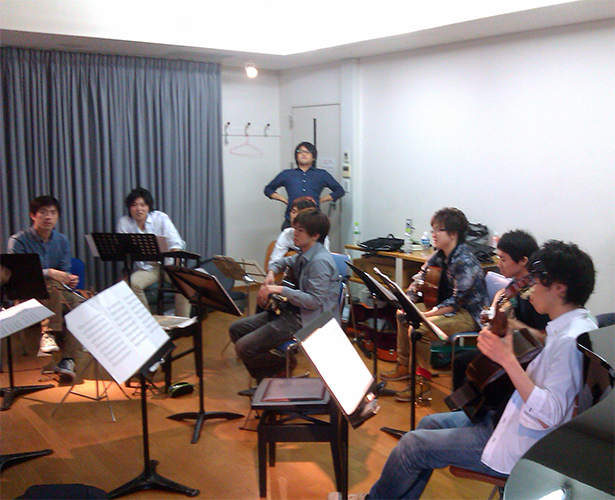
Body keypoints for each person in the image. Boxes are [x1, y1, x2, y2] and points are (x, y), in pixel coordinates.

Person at [360, 240, 597, 500]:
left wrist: (507, 359)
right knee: (428, 423)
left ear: (560, 288)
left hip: (520, 446)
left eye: (538, 282)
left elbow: (550, 413)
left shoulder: (570, 342)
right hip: (509, 419)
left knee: (412, 446)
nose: (530, 289)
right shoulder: (576, 324)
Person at [381, 207, 488, 402]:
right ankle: (404, 366)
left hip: (468, 315)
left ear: (453, 234)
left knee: (419, 329)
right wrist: (408, 301)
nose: (434, 234)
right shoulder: (439, 254)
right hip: (445, 308)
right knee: (402, 314)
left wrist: (424, 315)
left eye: (439, 230)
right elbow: (419, 278)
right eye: (433, 229)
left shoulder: (465, 261)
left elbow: (456, 302)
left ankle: (422, 384)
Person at [229, 208, 341, 382]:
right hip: (291, 311)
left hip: (307, 320)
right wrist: (271, 272)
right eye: (295, 228)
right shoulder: (305, 253)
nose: (294, 233)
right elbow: (283, 261)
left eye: (300, 230)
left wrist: (278, 289)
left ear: (315, 236)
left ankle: (280, 368)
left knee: (244, 347)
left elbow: (313, 301)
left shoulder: (320, 261)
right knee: (236, 329)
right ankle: (270, 376)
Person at [452, 230, 549, 391]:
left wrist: (513, 324)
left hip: (525, 357)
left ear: (523, 261)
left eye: (503, 259)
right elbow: (503, 292)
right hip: (509, 346)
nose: (499, 264)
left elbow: (546, 338)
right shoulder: (518, 283)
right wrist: (494, 307)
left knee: (466, 365)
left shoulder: (535, 293)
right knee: (462, 361)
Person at [7, 195, 85, 381]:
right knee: (51, 285)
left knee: (80, 306)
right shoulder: (18, 240)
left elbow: (64, 271)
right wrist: (49, 272)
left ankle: (66, 360)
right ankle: (48, 333)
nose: (48, 217)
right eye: (43, 212)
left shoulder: (62, 240)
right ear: (33, 215)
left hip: (57, 291)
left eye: (53, 213)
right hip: (27, 293)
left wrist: (68, 279)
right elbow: (18, 275)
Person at [116, 187, 190, 317]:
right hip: (146, 268)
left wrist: (177, 268)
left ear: (149, 206)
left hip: (169, 265)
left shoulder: (161, 218)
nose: (139, 209)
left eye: (143, 205)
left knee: (185, 283)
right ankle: (148, 322)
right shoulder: (124, 222)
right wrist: (127, 273)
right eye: (134, 205)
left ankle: (182, 322)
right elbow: (123, 251)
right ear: (129, 207)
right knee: (131, 284)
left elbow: (175, 243)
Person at [264, 142, 345, 229]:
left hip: (314, 220)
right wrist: (286, 201)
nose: (303, 154)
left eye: (308, 151)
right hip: (291, 220)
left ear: (313, 157)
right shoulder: (287, 174)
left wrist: (320, 200)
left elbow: (339, 191)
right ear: (296, 157)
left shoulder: (322, 174)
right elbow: (268, 189)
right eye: (300, 151)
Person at [267, 196, 330, 270]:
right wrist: (272, 270)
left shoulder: (321, 241)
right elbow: (275, 261)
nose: (294, 216)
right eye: (293, 212)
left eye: (300, 213)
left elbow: (325, 263)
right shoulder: (287, 233)